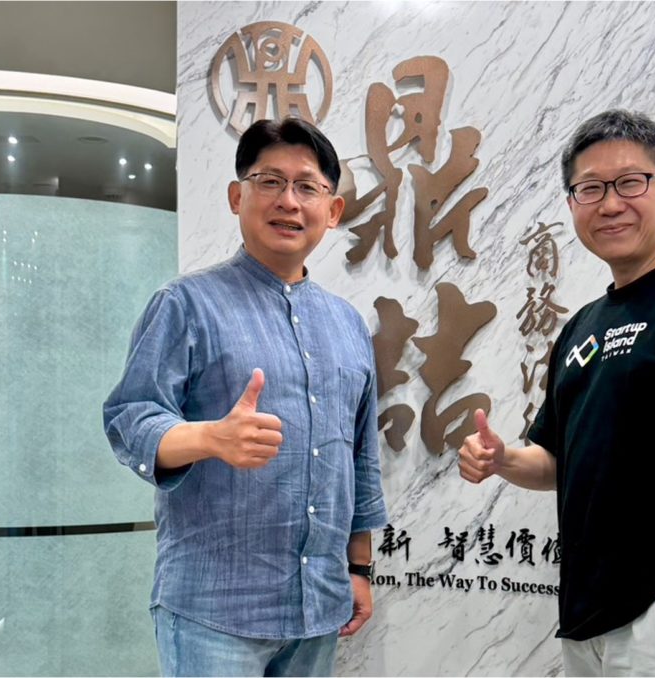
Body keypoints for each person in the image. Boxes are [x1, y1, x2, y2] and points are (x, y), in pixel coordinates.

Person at [459, 110, 655, 676]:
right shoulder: (580, 327)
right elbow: (555, 462)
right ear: (572, 204)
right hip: (585, 624)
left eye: (631, 182)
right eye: (590, 189)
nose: (610, 204)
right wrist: (503, 458)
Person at [104, 117, 388, 677]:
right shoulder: (186, 303)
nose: (289, 201)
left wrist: (359, 568)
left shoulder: (348, 324)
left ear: (332, 211)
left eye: (307, 187)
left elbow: (359, 456)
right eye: (270, 182)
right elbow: (129, 417)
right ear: (238, 197)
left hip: (318, 606)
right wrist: (208, 437)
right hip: (213, 610)